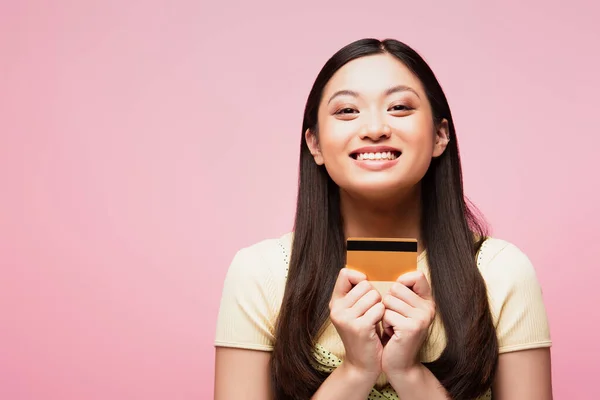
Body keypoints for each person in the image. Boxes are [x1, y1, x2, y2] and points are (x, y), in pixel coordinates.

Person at [213, 38, 553, 400]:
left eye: (400, 107)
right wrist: (356, 370)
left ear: (440, 136)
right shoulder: (260, 273)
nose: (375, 128)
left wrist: (408, 373)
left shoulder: (502, 272)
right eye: (346, 111)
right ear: (314, 144)